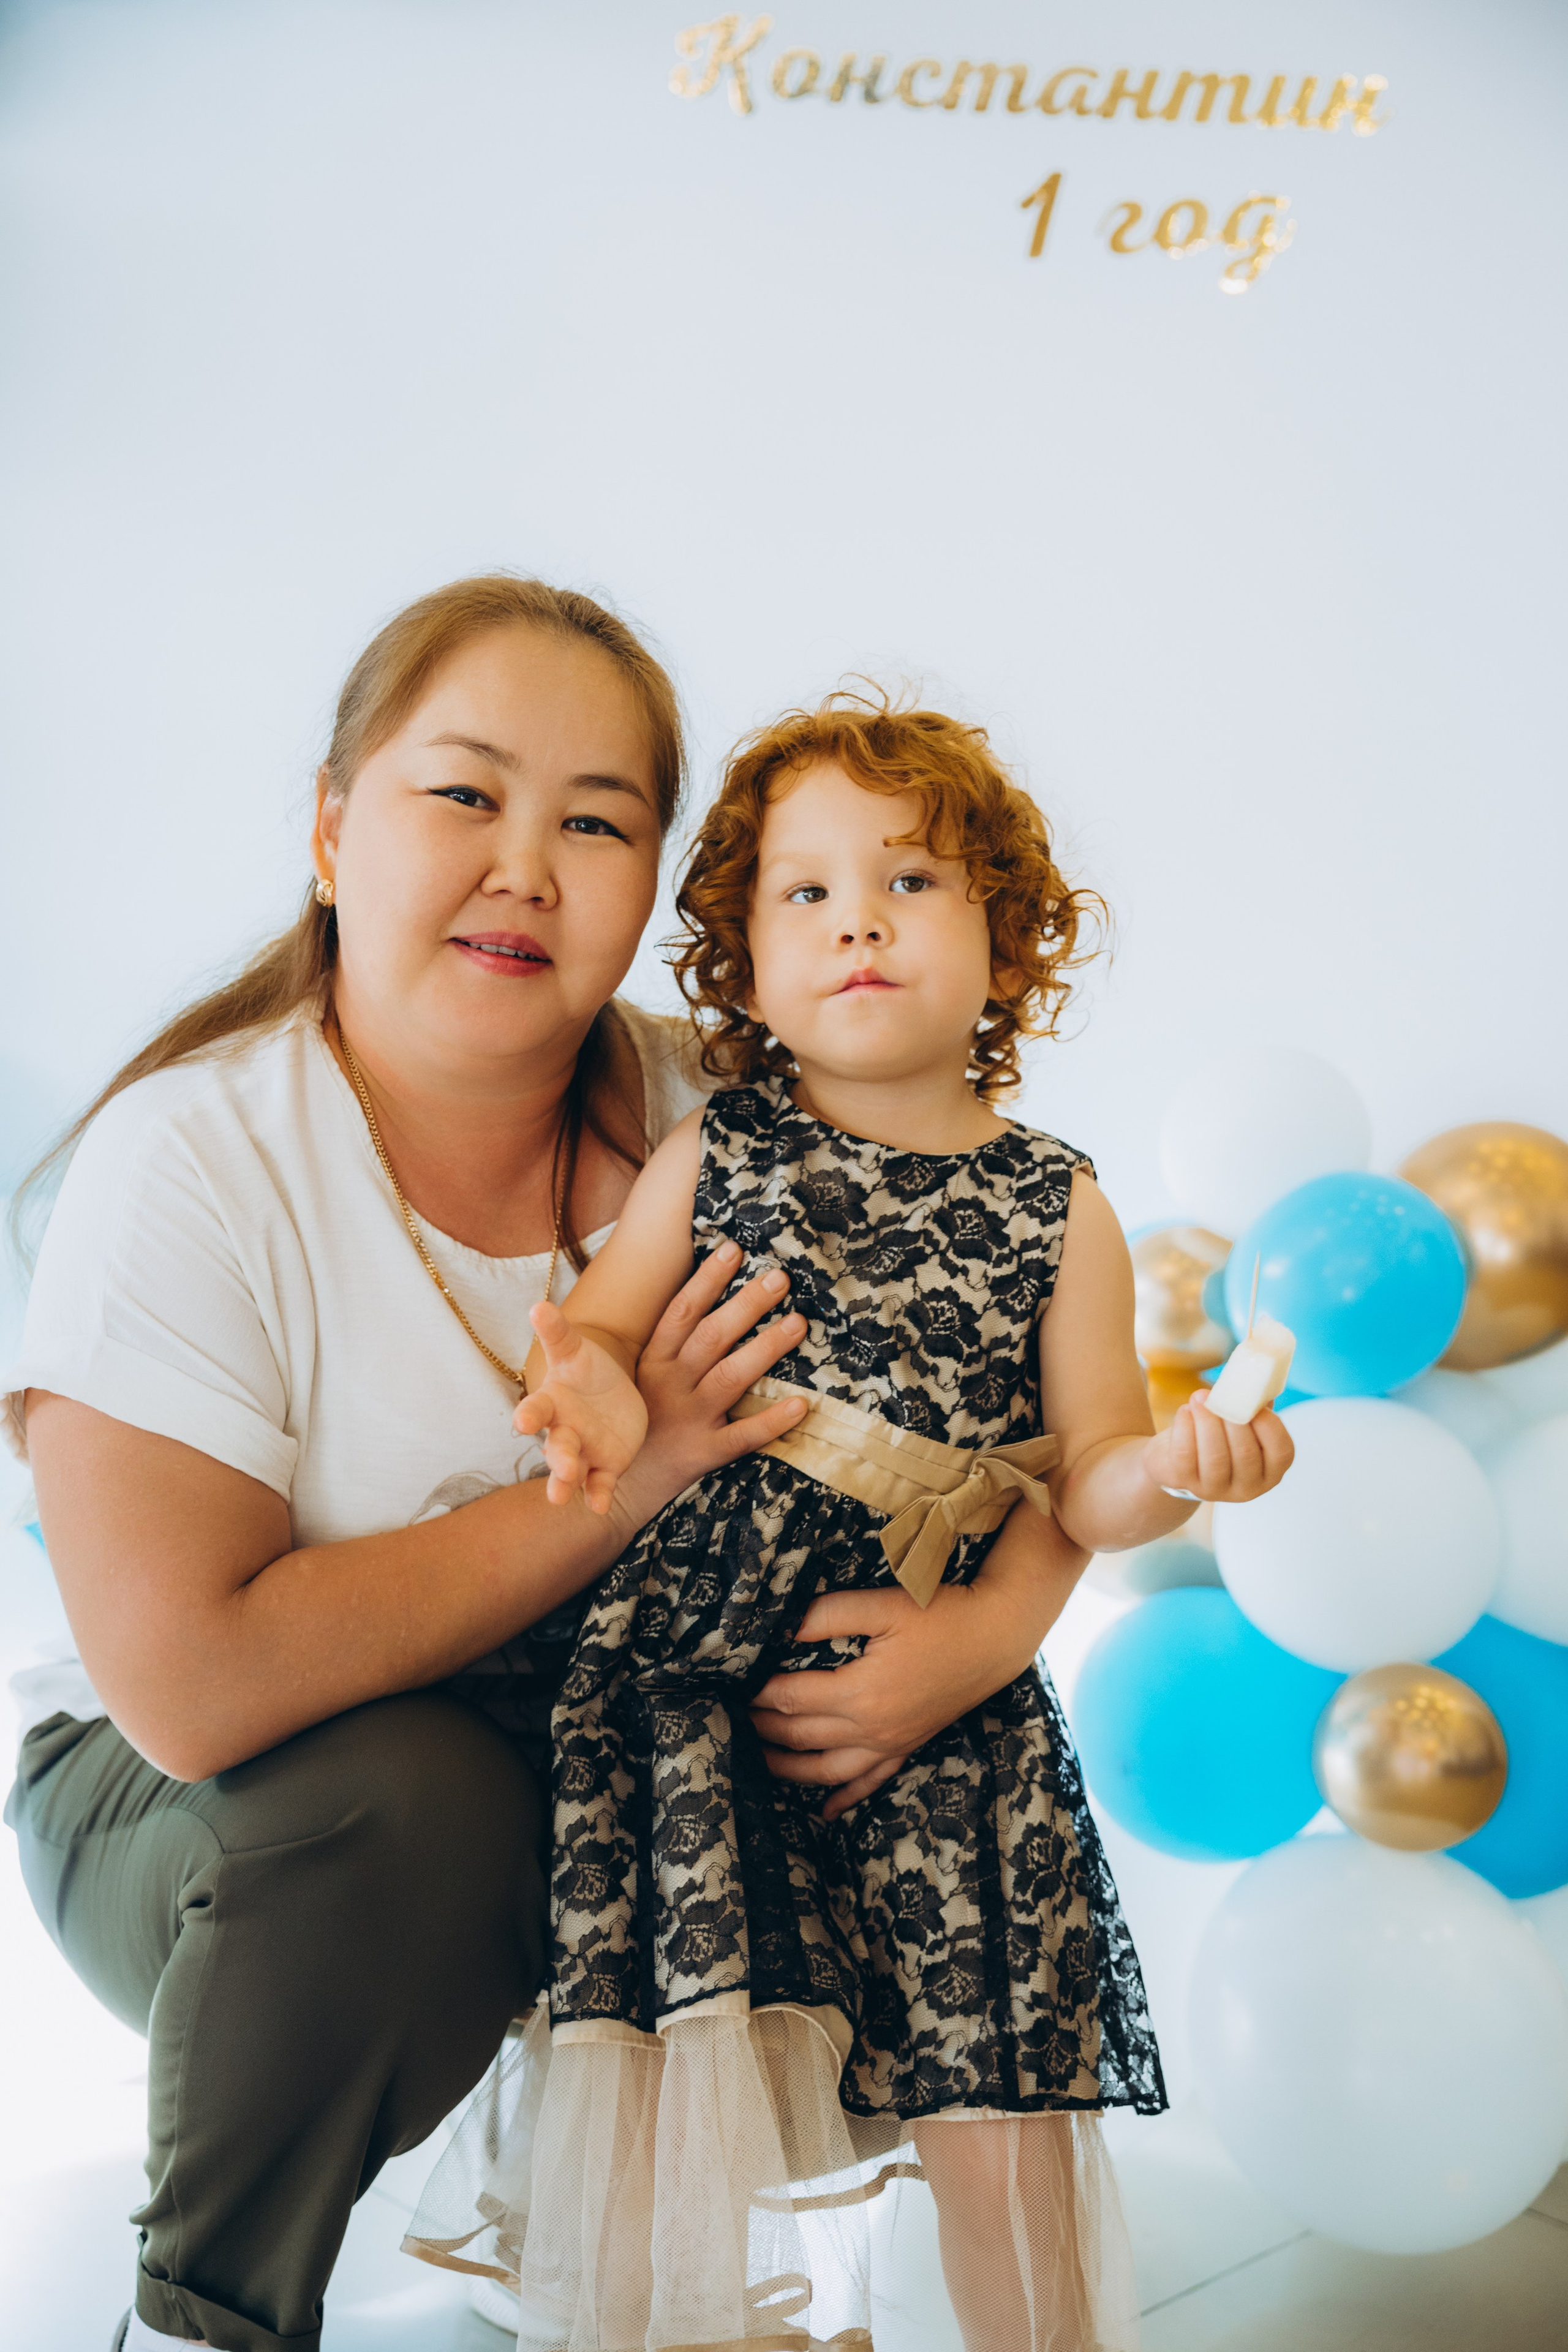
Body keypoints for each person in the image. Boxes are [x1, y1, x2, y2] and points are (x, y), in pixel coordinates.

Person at [3, 583, 1091, 2352]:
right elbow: (194, 1689)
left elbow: (1009, 1415)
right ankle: (204, 2316)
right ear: (331, 830)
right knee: (418, 1812)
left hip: (632, 1746)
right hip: (215, 1803)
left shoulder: (739, 1120)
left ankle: (697, 2286)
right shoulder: (192, 1157)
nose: (526, 868)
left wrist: (986, 1639)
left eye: (596, 823)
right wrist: (628, 1480)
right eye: (464, 795)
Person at [405, 694, 1294, 2352]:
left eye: (911, 882)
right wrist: (585, 1384)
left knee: (997, 2116)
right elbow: (602, 1335)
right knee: (683, 2103)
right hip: (698, 1702)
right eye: (805, 893)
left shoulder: (1059, 1205)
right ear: (744, 966)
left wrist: (1181, 1466)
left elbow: (1087, 1475)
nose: (858, 922)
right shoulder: (720, 1150)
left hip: (950, 1727)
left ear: (1006, 943)